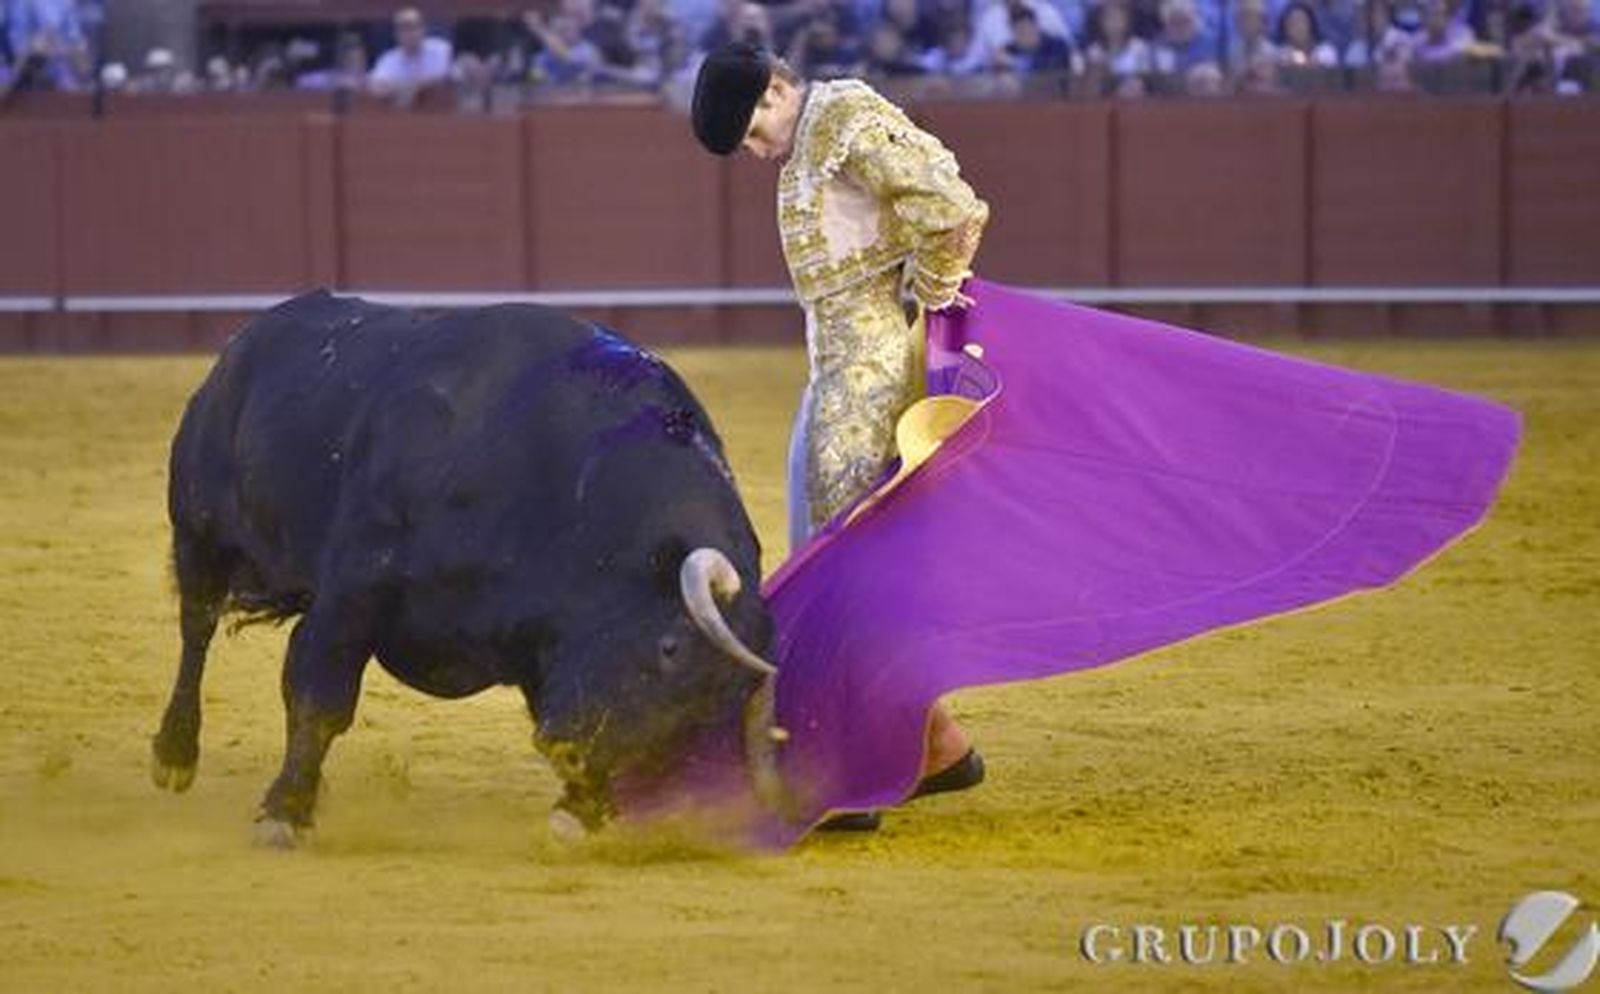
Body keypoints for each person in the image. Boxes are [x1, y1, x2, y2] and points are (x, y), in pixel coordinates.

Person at [690, 42, 988, 830]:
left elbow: (951, 209)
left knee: (841, 563)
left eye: (754, 133)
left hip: (871, 368)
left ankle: (850, 771)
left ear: (777, 88)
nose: (757, 154)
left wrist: (930, 306)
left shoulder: (845, 113)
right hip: (837, 370)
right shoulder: (811, 136)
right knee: (833, 554)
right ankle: (937, 747)